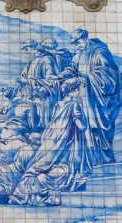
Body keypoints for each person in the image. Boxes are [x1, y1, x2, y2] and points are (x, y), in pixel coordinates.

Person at [11, 78, 91, 206]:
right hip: (64, 149)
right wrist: (85, 121)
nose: (80, 92)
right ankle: (34, 187)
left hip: (51, 143)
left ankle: (24, 190)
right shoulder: (74, 105)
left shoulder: (58, 104)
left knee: (41, 168)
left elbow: (53, 125)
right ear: (73, 90)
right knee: (63, 173)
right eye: (78, 89)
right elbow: (81, 126)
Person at [51, 28, 122, 166]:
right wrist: (59, 76)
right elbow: (73, 69)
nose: (76, 45)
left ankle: (105, 160)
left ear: (85, 38)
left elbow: (111, 75)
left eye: (77, 42)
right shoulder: (79, 54)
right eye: (74, 43)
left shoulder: (99, 52)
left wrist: (83, 79)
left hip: (100, 101)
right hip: (86, 98)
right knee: (86, 129)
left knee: (100, 132)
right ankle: (92, 160)